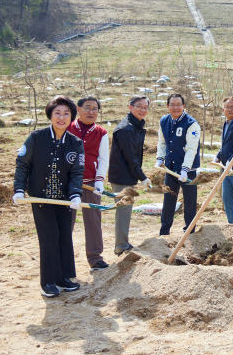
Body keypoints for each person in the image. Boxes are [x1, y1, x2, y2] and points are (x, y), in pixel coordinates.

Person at [12, 95, 84, 298]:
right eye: (57, 113)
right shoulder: (36, 138)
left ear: (71, 117)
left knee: (64, 237)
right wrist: (19, 189)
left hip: (64, 200)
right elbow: (23, 164)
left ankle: (63, 278)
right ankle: (48, 282)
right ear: (50, 116)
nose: (61, 117)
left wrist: (75, 194)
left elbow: (77, 172)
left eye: (66, 114)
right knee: (49, 238)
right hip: (41, 199)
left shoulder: (75, 143)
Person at [67, 96, 110, 271]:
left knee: (93, 220)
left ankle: (95, 257)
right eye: (87, 108)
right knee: (65, 221)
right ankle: (64, 257)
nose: (91, 112)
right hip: (68, 183)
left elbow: (103, 159)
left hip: (90, 182)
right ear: (78, 109)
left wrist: (99, 180)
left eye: (95, 109)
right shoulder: (67, 128)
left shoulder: (101, 133)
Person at [108, 95, 151, 256]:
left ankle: (122, 243)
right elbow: (131, 158)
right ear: (130, 107)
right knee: (124, 210)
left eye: (145, 107)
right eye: (139, 106)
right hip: (122, 176)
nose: (143, 110)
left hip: (127, 175)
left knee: (125, 210)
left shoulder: (135, 126)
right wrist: (143, 177)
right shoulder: (126, 129)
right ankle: (121, 246)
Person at [156, 93, 201, 235]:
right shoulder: (164, 121)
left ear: (184, 106)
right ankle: (164, 231)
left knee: (189, 201)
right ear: (168, 106)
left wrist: (185, 169)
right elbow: (162, 142)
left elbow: (191, 149)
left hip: (188, 171)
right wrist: (160, 158)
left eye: (178, 105)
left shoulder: (191, 123)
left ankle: (189, 231)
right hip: (171, 169)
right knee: (168, 200)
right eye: (172, 105)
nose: (175, 107)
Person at [214, 96, 233, 224]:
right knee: (227, 198)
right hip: (225, 168)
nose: (230, 109)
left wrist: (231, 160)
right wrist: (218, 155)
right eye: (227, 107)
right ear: (223, 110)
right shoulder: (226, 123)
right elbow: (225, 144)